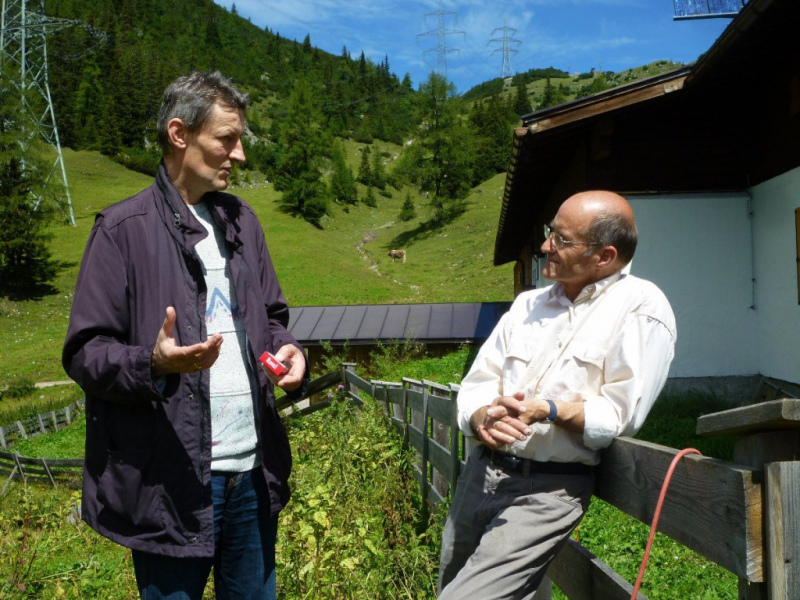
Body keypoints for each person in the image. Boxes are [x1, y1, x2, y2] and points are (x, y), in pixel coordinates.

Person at [62, 71, 308, 600]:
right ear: (180, 134)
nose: (238, 154)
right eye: (226, 139)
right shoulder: (122, 230)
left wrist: (288, 352)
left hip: (253, 473)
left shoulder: (243, 222)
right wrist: (152, 364)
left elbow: (271, 316)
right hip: (170, 486)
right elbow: (86, 352)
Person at [437, 191, 676, 599]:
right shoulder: (528, 304)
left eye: (562, 239)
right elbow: (479, 380)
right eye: (552, 232)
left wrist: (546, 410)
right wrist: (481, 417)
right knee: (452, 583)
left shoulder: (641, 307)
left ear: (604, 256)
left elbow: (621, 414)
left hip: (547, 490)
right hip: (480, 473)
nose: (546, 245)